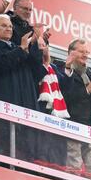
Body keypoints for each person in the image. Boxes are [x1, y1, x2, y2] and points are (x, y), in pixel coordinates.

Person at [0, 14, 44, 161]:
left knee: (26, 153)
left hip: (25, 107)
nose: (9, 29)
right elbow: (1, 64)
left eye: (10, 26)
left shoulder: (18, 48)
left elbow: (36, 71)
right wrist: (22, 49)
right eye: (4, 26)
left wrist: (35, 44)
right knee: (3, 150)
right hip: (5, 108)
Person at [58, 38, 91, 180]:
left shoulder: (90, 74)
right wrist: (88, 89)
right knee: (73, 166)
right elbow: (65, 97)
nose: (86, 55)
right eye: (82, 51)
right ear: (71, 52)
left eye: (87, 52)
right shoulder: (61, 69)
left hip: (89, 128)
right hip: (71, 125)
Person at [34, 39, 70, 168]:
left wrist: (66, 68)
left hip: (55, 114)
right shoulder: (33, 64)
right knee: (42, 154)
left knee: (55, 156)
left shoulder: (53, 67)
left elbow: (63, 85)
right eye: (40, 46)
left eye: (45, 46)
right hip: (40, 112)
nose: (44, 49)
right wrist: (45, 64)